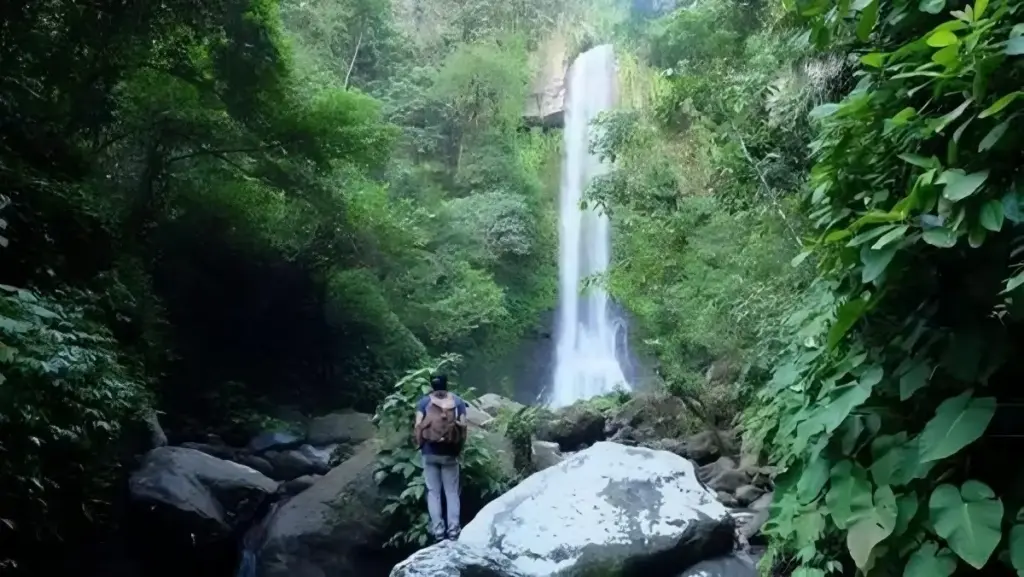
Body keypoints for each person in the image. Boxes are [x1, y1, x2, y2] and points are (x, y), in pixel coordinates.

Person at [414, 373, 468, 542]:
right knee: (451, 493)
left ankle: (438, 532)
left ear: (432, 386)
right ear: (447, 384)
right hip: (450, 453)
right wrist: (459, 448)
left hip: (430, 453)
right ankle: (453, 532)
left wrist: (421, 445)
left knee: (433, 493)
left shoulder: (423, 402)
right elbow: (464, 426)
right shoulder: (457, 402)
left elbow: (417, 426)